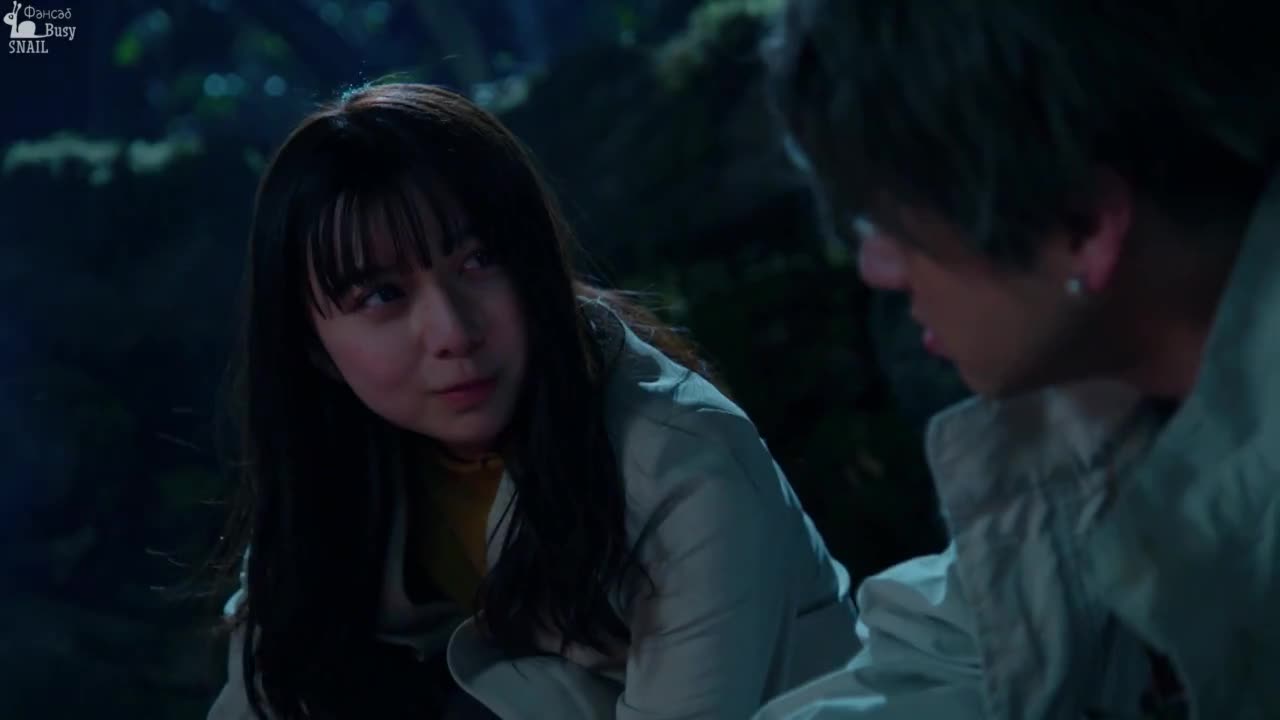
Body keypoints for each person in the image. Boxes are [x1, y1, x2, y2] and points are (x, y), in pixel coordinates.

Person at [204, 82, 859, 720]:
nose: (454, 332)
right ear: (315, 348)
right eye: (382, 296)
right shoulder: (328, 472)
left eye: (479, 260)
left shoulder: (684, 464)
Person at [755, 1, 1280, 718]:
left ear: (1083, 226)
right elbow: (965, 648)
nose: (876, 269)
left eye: (886, 223)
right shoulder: (1102, 412)